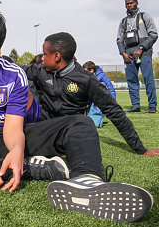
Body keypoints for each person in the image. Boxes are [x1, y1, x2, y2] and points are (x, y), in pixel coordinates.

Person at [0, 9, 153, 223]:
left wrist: (17, 151)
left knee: (81, 123)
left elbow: (12, 128)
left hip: (10, 136)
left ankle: (86, 180)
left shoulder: (14, 75)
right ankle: (33, 168)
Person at [24, 32, 159, 156]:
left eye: (45, 54)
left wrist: (141, 149)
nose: (42, 58)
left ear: (57, 56)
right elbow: (13, 70)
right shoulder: (40, 71)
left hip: (68, 134)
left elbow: (114, 111)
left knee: (85, 127)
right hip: (42, 129)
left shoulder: (86, 80)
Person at [117, 0, 158, 113]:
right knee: (131, 80)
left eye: (131, 3)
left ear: (137, 3)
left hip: (144, 53)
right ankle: (135, 105)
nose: (129, 5)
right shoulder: (123, 22)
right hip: (129, 55)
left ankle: (152, 106)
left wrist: (141, 49)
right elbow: (119, 39)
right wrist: (123, 53)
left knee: (148, 79)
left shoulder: (145, 16)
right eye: (127, 3)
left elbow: (154, 35)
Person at [83, 61, 116, 128]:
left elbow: (110, 88)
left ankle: (96, 119)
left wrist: (112, 101)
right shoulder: (86, 76)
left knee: (94, 125)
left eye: (86, 71)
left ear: (91, 70)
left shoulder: (103, 76)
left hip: (100, 100)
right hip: (89, 100)